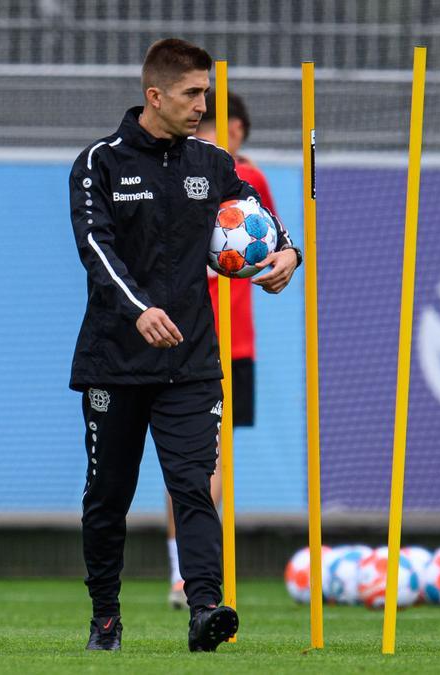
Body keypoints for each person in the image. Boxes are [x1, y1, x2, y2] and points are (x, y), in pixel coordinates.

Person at [68, 38, 299, 651]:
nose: (204, 104)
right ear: (155, 96)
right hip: (115, 361)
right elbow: (96, 251)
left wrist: (287, 255)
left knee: (193, 484)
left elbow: (264, 221)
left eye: (206, 93)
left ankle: (203, 610)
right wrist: (140, 311)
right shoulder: (99, 163)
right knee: (107, 497)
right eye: (193, 94)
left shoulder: (212, 163)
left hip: (192, 361)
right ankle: (106, 619)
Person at [165, 92, 279, 610]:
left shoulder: (247, 179)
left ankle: (189, 572)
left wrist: (282, 258)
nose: (201, 133)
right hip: (187, 331)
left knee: (211, 460)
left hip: (232, 339)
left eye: (209, 124)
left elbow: (271, 246)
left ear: (234, 128)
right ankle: (185, 572)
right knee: (190, 460)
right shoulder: (179, 171)